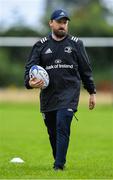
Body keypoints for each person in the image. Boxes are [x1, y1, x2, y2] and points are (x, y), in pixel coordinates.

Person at [24, 9, 96, 171]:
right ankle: (58, 158)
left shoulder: (76, 44)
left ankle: (58, 166)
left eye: (65, 22)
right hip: (48, 96)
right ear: (51, 23)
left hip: (69, 94)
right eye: (59, 22)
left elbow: (86, 70)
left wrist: (92, 92)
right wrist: (30, 83)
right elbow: (29, 69)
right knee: (52, 131)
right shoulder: (40, 45)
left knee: (62, 125)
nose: (62, 25)